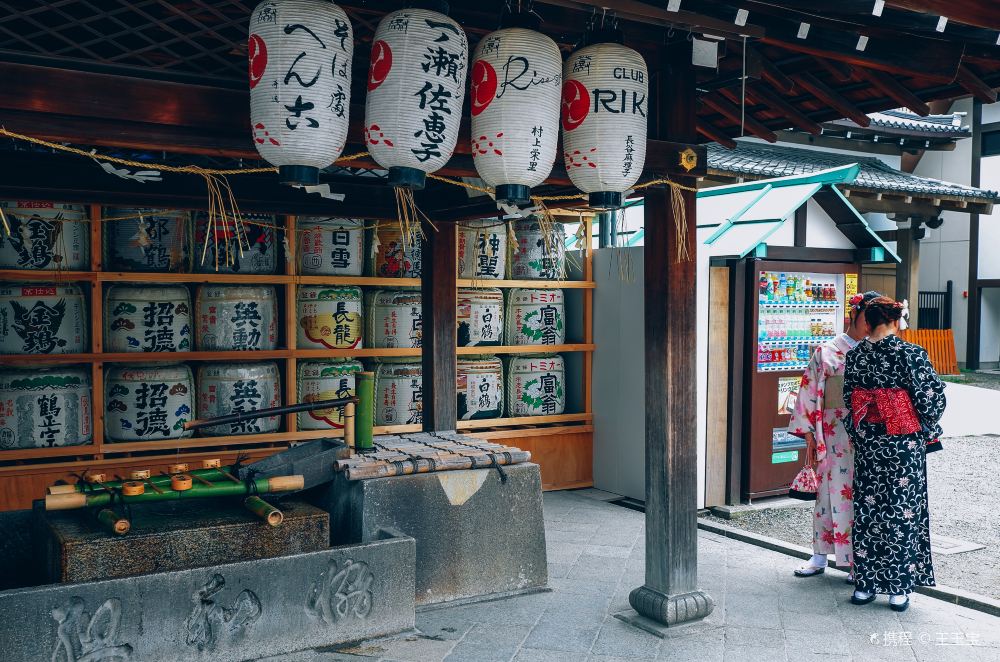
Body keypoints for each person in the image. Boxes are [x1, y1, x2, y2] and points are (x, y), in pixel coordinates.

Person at [842, 296, 946, 612]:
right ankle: (898, 589)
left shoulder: (856, 355)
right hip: (903, 447)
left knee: (868, 510)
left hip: (870, 445)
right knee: (902, 511)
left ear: (868, 322)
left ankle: (865, 585)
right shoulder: (911, 354)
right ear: (896, 321)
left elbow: (850, 399)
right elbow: (931, 402)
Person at [789, 290, 881, 578]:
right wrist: (809, 437)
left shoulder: (878, 351)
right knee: (828, 496)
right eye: (868, 318)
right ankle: (819, 556)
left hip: (867, 433)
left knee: (862, 496)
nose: (871, 326)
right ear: (854, 314)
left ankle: (858, 561)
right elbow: (808, 393)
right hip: (832, 430)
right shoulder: (826, 351)